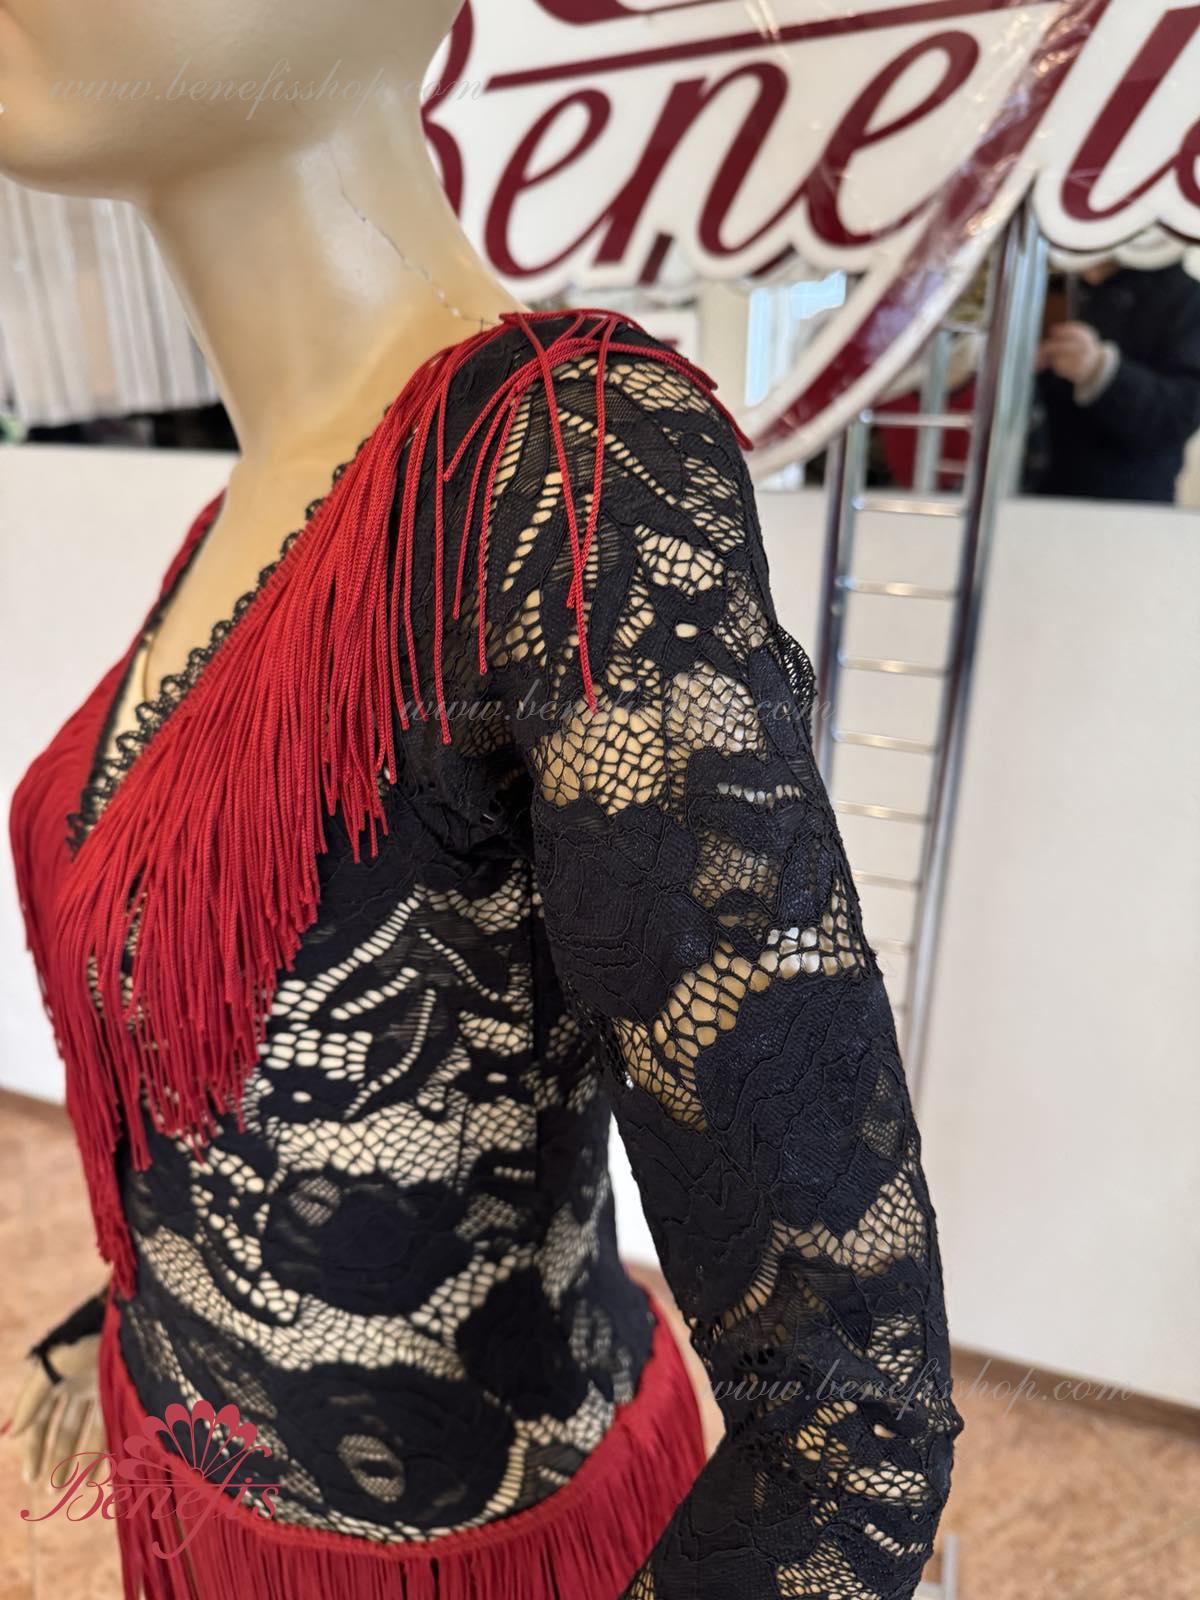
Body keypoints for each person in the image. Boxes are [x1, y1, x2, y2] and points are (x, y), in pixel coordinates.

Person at [0, 2, 964, 1596]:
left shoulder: (570, 472)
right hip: (191, 1508)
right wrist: (135, 1316)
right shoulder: (254, 513)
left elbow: (851, 1423)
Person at [1033, 258, 1200, 503]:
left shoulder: (1186, 297)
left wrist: (1099, 370)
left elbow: (1179, 415)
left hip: (1118, 507)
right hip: (1019, 488)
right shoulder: (1045, 271)